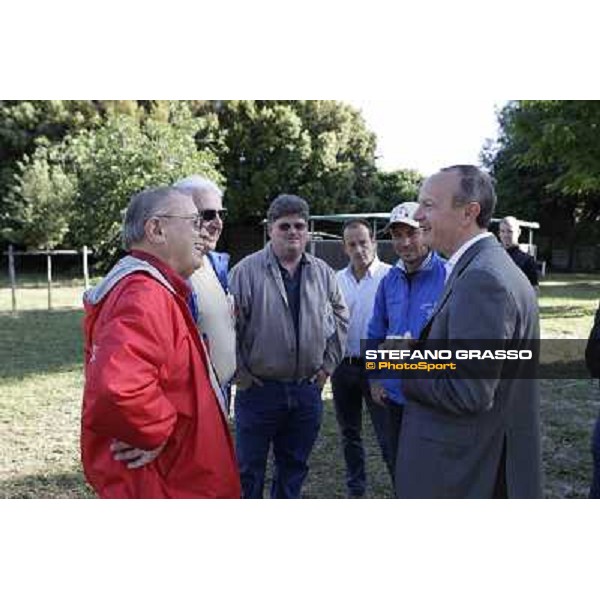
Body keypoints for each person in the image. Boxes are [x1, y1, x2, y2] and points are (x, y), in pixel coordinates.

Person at [80, 186, 240, 498]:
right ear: (156, 229)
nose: (205, 230)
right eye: (195, 221)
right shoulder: (145, 294)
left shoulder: (158, 290)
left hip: (177, 477)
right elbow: (119, 389)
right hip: (171, 483)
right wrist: (156, 429)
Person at [398, 165, 542, 499]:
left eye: (429, 205)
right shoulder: (481, 267)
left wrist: (405, 361)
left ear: (469, 212)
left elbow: (468, 391)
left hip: (465, 474)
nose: (418, 215)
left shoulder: (483, 279)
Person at [229, 194, 349, 498]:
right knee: (248, 471)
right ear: (270, 229)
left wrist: (327, 367)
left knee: (294, 467)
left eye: (299, 225)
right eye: (285, 226)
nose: (293, 232)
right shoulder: (245, 271)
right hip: (258, 391)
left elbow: (340, 317)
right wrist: (239, 373)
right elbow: (227, 328)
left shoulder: (323, 272)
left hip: (306, 390)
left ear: (307, 230)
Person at [366, 202, 446, 481]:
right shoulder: (389, 280)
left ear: (426, 232)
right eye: (397, 235)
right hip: (394, 394)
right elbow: (375, 332)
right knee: (397, 463)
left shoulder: (448, 275)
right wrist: (375, 377)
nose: (404, 242)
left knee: (432, 469)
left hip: (433, 395)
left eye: (412, 233)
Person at [332, 219, 392, 498]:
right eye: (352, 244)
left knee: (388, 435)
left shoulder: (391, 277)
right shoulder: (336, 280)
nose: (358, 249)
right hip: (344, 367)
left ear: (374, 244)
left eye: (363, 243)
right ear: (344, 248)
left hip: (378, 367)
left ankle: (403, 486)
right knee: (350, 434)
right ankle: (356, 491)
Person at [173, 176, 236, 395]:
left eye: (221, 214)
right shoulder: (169, 272)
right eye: (208, 214)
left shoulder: (217, 264)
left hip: (220, 395)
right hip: (192, 401)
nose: (218, 222)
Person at [498, 216, 539, 290]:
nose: (506, 235)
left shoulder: (527, 260)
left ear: (518, 232)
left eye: (510, 231)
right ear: (499, 233)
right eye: (502, 231)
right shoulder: (494, 258)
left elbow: (534, 289)